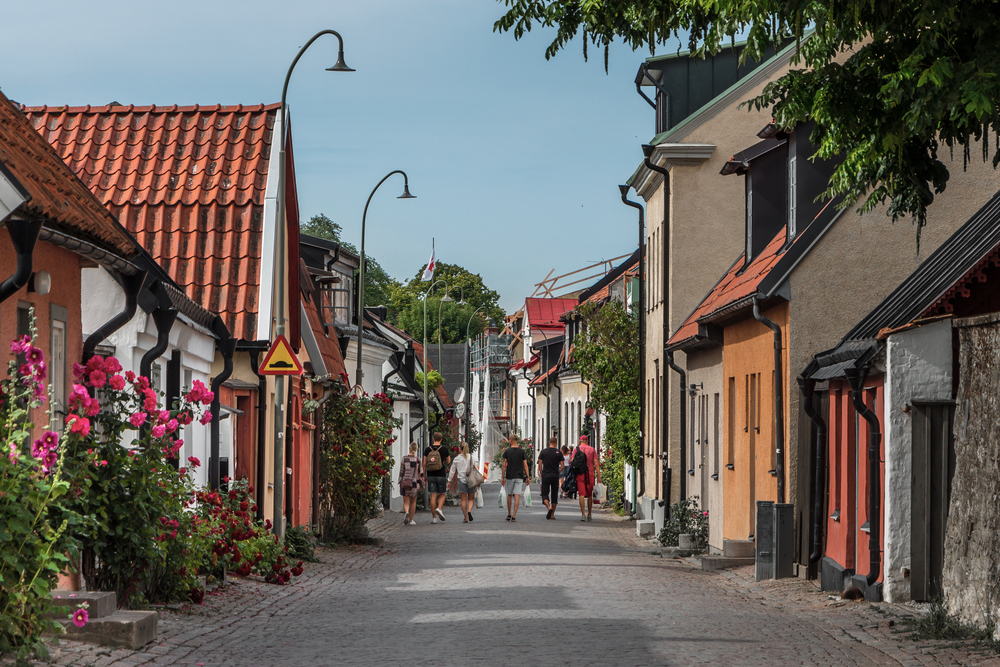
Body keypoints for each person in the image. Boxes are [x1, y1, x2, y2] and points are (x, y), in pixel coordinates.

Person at [423, 432, 451, 524]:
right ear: (441, 439)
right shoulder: (444, 449)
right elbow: (448, 461)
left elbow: (424, 464)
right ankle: (439, 508)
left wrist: (424, 476)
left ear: (433, 439)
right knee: (442, 494)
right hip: (441, 474)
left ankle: (434, 518)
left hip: (430, 475)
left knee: (433, 496)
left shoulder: (427, 449)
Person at [500, 434, 530, 522]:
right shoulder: (522, 451)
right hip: (519, 476)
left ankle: (509, 514)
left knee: (509, 494)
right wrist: (528, 477)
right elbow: (525, 465)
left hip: (510, 475)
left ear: (511, 440)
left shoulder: (507, 451)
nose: (508, 440)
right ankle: (514, 515)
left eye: (509, 439)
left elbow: (504, 465)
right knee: (517, 495)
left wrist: (502, 477)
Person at [573, 435, 600, 521]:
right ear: (588, 441)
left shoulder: (576, 449)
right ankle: (589, 514)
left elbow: (572, 461)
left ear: (580, 441)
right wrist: (599, 476)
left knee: (581, 494)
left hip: (580, 474)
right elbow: (596, 463)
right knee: (589, 495)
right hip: (590, 474)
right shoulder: (592, 449)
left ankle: (583, 515)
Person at [447, 442, 476, 523]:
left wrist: (449, 480)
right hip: (471, 480)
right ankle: (469, 511)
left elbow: (452, 470)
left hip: (461, 480)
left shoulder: (457, 458)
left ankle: (466, 518)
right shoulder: (471, 457)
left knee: (463, 500)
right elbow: (475, 469)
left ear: (460, 448)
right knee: (471, 499)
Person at [537, 437, 564, 519]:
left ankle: (549, 508)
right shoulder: (559, 452)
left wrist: (541, 473)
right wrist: (557, 472)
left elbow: (540, 464)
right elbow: (563, 466)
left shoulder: (543, 452)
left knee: (545, 494)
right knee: (554, 495)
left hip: (546, 475)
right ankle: (552, 515)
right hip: (555, 475)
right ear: (556, 443)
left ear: (549, 442)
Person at [398, 442, 424, 525]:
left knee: (406, 501)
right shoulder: (418, 460)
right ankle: (411, 520)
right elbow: (421, 473)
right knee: (413, 502)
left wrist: (400, 480)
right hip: (415, 483)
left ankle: (406, 512)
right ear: (416, 449)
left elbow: (401, 471)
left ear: (409, 448)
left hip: (405, 481)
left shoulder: (404, 459)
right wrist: (422, 483)